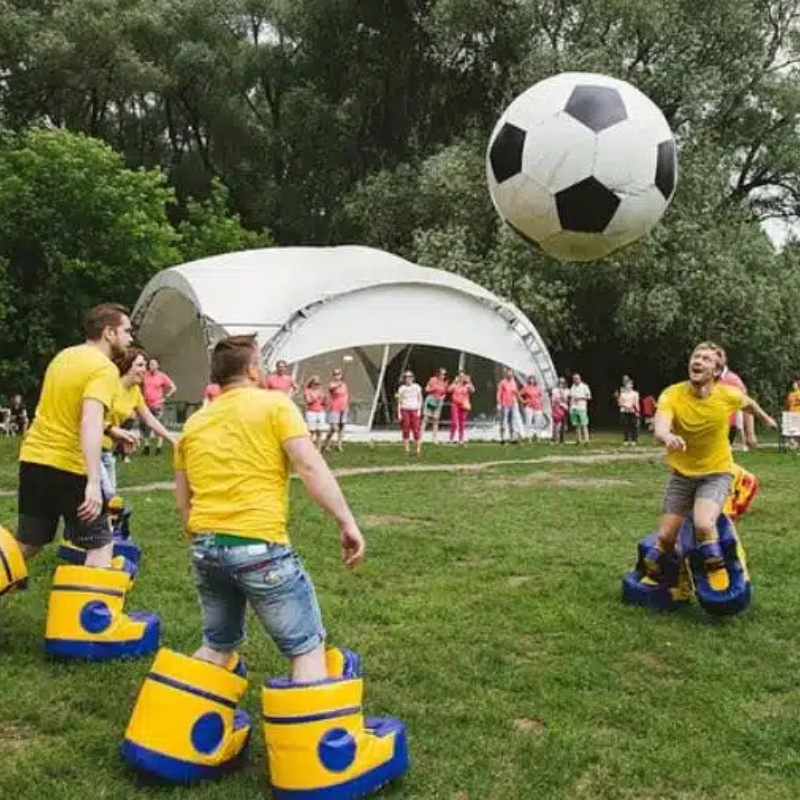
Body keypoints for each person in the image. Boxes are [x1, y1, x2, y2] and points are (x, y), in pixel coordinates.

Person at [174, 334, 365, 683]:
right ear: (252, 370)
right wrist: (346, 522)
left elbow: (183, 501)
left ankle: (177, 713)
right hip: (258, 547)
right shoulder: (276, 406)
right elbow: (310, 467)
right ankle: (309, 718)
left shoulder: (195, 423)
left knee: (217, 645)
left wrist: (203, 542)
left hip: (205, 548)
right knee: (306, 648)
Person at [13, 304, 134, 570]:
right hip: (69, 466)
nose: (130, 338)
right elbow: (89, 420)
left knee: (28, 544)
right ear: (109, 333)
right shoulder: (104, 368)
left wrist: (111, 430)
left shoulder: (64, 357)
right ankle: (87, 597)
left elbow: (67, 411)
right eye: (127, 331)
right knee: (100, 545)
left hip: (34, 460)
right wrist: (93, 482)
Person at [644, 342, 777, 583]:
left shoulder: (727, 394)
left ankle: (719, 571)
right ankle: (672, 578)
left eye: (706, 359)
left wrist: (765, 419)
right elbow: (660, 427)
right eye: (696, 356)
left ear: (716, 371)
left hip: (716, 473)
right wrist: (667, 436)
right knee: (664, 538)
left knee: (704, 525)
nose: (698, 361)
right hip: (682, 476)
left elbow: (749, 404)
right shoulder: (672, 394)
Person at [104, 349, 177, 497]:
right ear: (126, 366)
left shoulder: (135, 391)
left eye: (145, 365)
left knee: (110, 499)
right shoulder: (110, 386)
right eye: (140, 365)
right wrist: (112, 430)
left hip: (106, 451)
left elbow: (150, 420)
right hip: (87, 451)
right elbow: (89, 417)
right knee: (105, 497)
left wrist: (174, 440)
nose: (144, 369)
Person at [718, 352, 755, 450]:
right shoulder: (707, 378)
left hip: (728, 424)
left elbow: (747, 403)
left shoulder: (733, 379)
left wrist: (750, 432)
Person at [142, 357, 176, 456]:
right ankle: (146, 447)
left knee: (158, 425)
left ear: (158, 366)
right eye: (150, 364)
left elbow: (173, 387)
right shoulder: (145, 375)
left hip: (157, 405)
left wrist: (165, 397)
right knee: (146, 426)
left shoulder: (162, 376)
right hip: (145, 405)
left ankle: (158, 447)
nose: (151, 366)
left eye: (153, 364)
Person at [396, 370, 423, 456]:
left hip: (414, 409)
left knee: (416, 430)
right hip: (405, 409)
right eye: (406, 377)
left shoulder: (417, 387)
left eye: (410, 377)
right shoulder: (402, 388)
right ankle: (407, 450)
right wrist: (399, 413)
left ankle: (418, 450)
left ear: (413, 378)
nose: (408, 378)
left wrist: (419, 410)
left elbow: (420, 399)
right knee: (405, 430)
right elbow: (399, 401)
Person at [322, 368, 349, 452]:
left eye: (338, 374)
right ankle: (326, 443)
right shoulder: (332, 384)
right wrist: (338, 384)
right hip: (334, 407)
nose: (337, 376)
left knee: (342, 427)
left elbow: (346, 395)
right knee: (333, 428)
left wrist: (346, 405)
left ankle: (339, 444)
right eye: (335, 374)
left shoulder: (344, 385)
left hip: (343, 407)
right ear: (333, 376)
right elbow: (331, 389)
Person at [421, 368, 448, 444]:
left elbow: (445, 393)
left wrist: (443, 397)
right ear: (438, 374)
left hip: (439, 401)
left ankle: (434, 438)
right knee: (426, 418)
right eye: (442, 374)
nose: (443, 375)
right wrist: (433, 388)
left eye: (445, 374)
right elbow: (426, 389)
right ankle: (420, 437)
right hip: (431, 399)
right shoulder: (432, 379)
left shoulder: (445, 383)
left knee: (436, 419)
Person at [448, 370, 474, 445]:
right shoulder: (455, 384)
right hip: (455, 404)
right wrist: (454, 381)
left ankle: (461, 439)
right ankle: (451, 438)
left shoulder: (467, 385)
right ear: (458, 377)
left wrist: (469, 381)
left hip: (464, 405)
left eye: (463, 376)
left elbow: (473, 390)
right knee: (454, 422)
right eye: (460, 376)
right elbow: (449, 390)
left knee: (462, 422)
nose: (461, 378)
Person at [496, 367, 521, 444]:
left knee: (512, 421)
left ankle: (512, 438)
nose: (510, 374)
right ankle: (502, 438)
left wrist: (520, 400)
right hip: (505, 404)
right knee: (504, 421)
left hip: (513, 404)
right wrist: (499, 403)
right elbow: (499, 393)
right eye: (508, 373)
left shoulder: (514, 382)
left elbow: (516, 392)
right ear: (506, 374)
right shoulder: (502, 382)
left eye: (511, 373)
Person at [303, 376, 327, 450]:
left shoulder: (320, 391)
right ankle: (309, 449)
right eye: (315, 384)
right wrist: (316, 398)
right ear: (312, 383)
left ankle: (318, 450)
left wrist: (325, 400)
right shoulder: (307, 391)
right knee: (311, 431)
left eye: (318, 384)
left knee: (319, 431)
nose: (317, 385)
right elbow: (308, 401)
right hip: (311, 412)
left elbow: (323, 403)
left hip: (320, 412)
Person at [569, 373, 592, 444]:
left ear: (580, 378)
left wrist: (580, 398)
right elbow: (571, 397)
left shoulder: (584, 386)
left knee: (584, 424)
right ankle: (578, 440)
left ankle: (587, 440)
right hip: (574, 408)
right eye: (574, 378)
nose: (575, 380)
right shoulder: (572, 387)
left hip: (582, 408)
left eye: (577, 378)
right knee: (576, 425)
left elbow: (589, 397)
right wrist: (570, 407)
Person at [520, 376, 545, 442]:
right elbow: (519, 394)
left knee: (538, 423)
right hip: (529, 407)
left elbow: (540, 396)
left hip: (538, 407)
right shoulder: (526, 388)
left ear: (535, 380)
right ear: (528, 380)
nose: (532, 380)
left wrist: (541, 404)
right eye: (530, 379)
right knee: (529, 422)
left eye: (533, 379)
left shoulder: (538, 388)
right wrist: (523, 401)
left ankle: (538, 437)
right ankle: (529, 437)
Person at [617, 377, 640, 446]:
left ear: (632, 385)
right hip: (624, 411)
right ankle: (626, 440)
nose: (628, 386)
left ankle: (634, 440)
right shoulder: (622, 394)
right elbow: (620, 403)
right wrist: (625, 406)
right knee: (625, 426)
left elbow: (636, 402)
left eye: (630, 384)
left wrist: (637, 411)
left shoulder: (635, 393)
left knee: (634, 426)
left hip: (633, 411)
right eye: (627, 385)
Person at [551, 377, 570, 444]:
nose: (561, 383)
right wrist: (554, 404)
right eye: (560, 382)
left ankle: (562, 440)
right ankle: (555, 439)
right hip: (556, 408)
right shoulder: (554, 390)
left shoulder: (567, 390)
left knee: (563, 425)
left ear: (565, 383)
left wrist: (562, 395)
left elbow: (566, 399)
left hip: (564, 408)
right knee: (556, 425)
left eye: (563, 382)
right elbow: (553, 399)